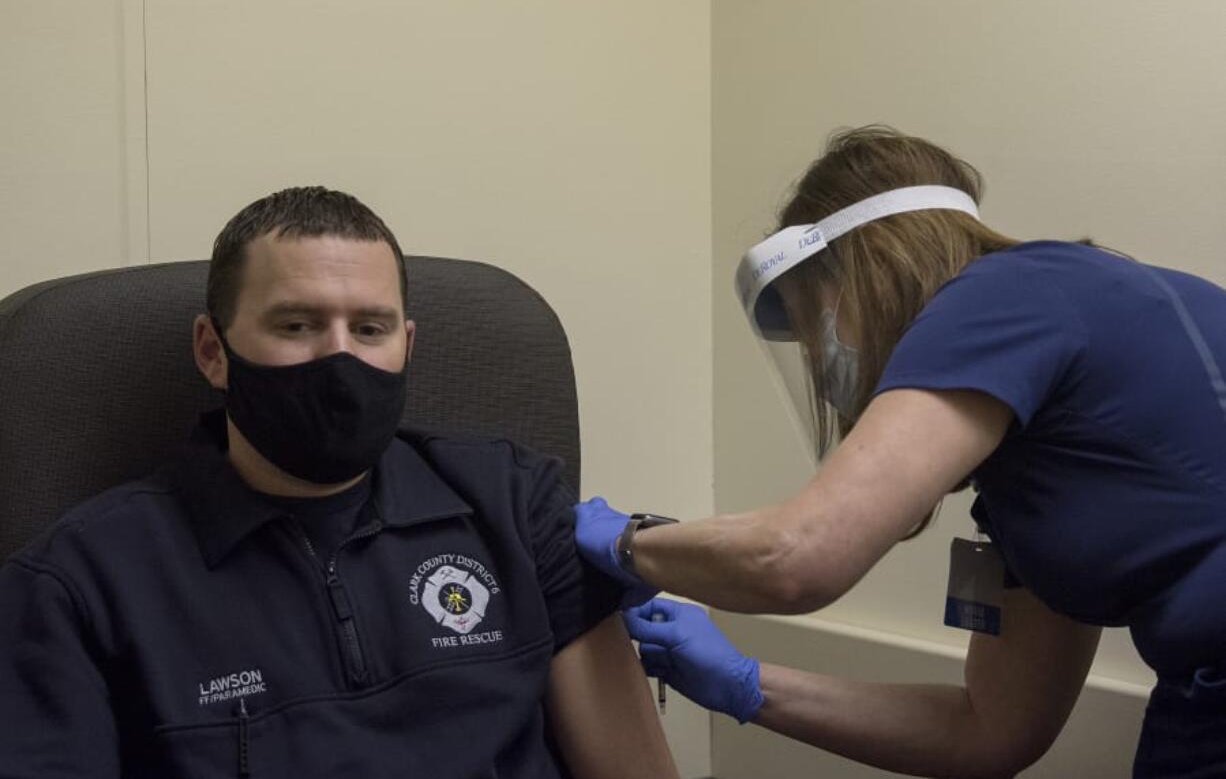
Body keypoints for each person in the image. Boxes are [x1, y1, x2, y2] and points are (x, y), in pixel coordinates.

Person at [575, 126, 1226, 777]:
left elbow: (796, 555)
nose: (822, 365)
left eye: (817, 326)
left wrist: (628, 545)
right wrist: (747, 682)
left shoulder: (1006, 292)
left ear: (870, 267)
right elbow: (992, 730)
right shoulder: (1036, 487)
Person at [0, 187, 678, 778]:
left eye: (369, 327)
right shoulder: (81, 582)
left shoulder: (512, 503)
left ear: (406, 346)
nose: (340, 356)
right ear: (213, 351)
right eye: (297, 324)